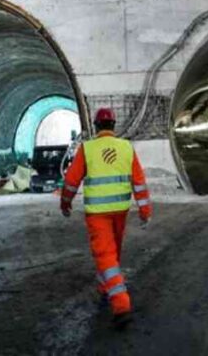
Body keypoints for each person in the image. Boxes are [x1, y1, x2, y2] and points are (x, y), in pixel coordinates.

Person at [60, 107, 152, 328]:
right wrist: (144, 210)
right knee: (113, 253)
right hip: (120, 211)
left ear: (96, 126)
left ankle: (121, 306)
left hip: (97, 215)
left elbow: (71, 180)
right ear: (114, 126)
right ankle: (105, 287)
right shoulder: (126, 148)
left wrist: (66, 202)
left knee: (106, 256)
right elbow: (138, 181)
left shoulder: (88, 149)